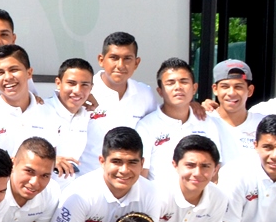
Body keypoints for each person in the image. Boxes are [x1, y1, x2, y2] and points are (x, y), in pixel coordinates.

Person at [136, 58, 229, 191]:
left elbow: (214, 172)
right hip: (161, 206)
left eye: (184, 81)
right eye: (170, 83)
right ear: (160, 91)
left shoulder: (206, 122)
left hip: (199, 204)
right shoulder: (146, 126)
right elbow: (142, 176)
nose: (178, 87)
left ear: (194, 88)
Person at [78, 32, 159, 175]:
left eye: (127, 58)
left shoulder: (145, 94)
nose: (120, 65)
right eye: (114, 58)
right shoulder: (82, 91)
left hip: (126, 180)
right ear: (101, 60)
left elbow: (157, 128)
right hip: (86, 180)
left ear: (137, 62)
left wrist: (194, 105)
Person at [0, 45, 59, 158]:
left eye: (14, 70)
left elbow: (51, 157)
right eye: (0, 73)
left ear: (29, 73)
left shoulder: (48, 111)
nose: (8, 77)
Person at [206, 59, 262, 162]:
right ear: (215, 89)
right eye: (225, 86)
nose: (231, 93)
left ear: (250, 90)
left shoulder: (262, 124)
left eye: (238, 87)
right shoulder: (203, 121)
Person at [48, 59, 94, 177]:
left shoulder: (89, 116)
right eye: (71, 83)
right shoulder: (41, 109)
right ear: (58, 83)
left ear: (91, 88)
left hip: (73, 188)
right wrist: (49, 160)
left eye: (84, 85)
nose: (77, 90)